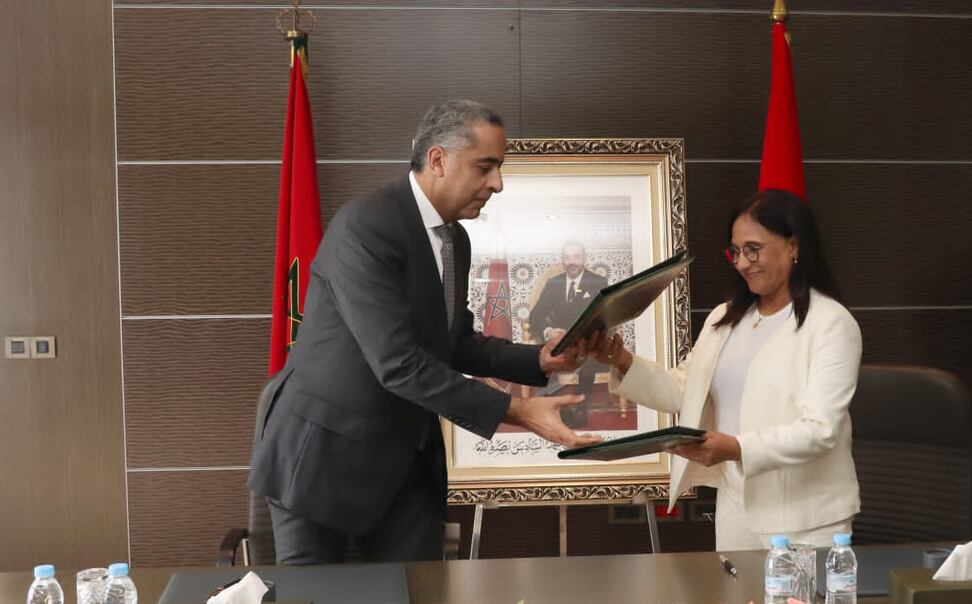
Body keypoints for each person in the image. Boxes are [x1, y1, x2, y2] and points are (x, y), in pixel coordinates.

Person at [248, 100, 598, 565]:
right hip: (322, 463)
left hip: (405, 466)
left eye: (499, 168)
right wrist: (521, 412)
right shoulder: (367, 226)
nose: (497, 183)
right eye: (485, 167)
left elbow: (452, 342)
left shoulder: (455, 239)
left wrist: (539, 360)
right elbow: (398, 364)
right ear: (438, 160)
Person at [587, 189, 862, 550]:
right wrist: (622, 361)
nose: (743, 263)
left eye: (754, 249)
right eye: (736, 252)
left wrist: (735, 447)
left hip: (806, 518)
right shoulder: (724, 317)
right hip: (735, 504)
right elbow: (686, 391)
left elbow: (820, 430)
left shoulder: (831, 323)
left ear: (793, 246)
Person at [528, 241, 610, 427]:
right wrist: (548, 332)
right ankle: (554, 408)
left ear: (584, 259)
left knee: (589, 359)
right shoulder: (553, 283)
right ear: (562, 260)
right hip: (559, 342)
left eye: (576, 257)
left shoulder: (597, 282)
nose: (571, 261)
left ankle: (579, 409)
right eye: (567, 257)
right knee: (546, 357)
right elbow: (536, 315)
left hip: (587, 342)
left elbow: (605, 317)